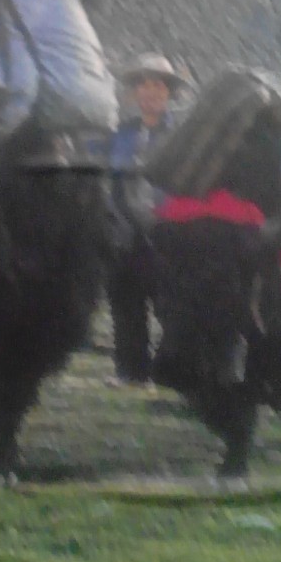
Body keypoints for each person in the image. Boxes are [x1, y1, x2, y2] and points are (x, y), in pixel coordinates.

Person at [105, 55, 190, 385]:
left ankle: (173, 373)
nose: (150, 92)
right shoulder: (119, 134)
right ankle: (131, 372)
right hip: (125, 230)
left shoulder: (182, 136)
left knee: (171, 306)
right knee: (125, 302)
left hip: (168, 231)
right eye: (143, 85)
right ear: (134, 93)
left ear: (168, 93)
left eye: (157, 85)